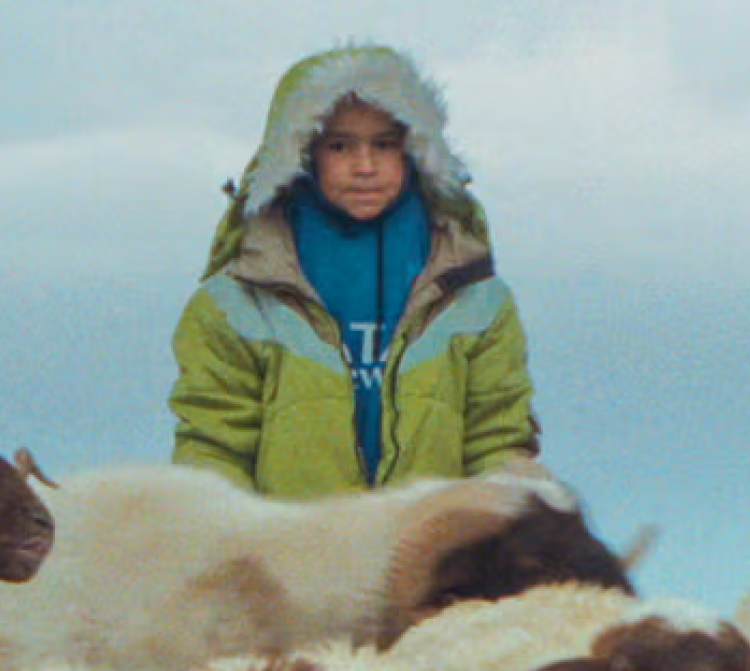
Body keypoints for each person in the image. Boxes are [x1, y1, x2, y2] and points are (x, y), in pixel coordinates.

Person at [169, 43, 543, 497]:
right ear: (304, 152)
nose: (365, 166)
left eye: (384, 145)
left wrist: (508, 544)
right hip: (288, 561)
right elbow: (212, 450)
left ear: (415, 152)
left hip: (429, 559)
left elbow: (499, 443)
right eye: (340, 145)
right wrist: (227, 552)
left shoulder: (475, 297)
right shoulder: (236, 301)